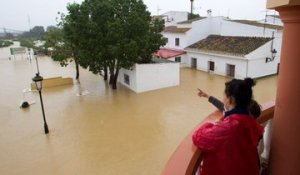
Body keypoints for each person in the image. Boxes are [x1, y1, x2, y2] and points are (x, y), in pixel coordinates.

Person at [192, 78, 263, 175]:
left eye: (224, 95)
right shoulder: (248, 119)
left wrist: (210, 124)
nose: (223, 98)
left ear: (231, 99)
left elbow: (198, 137)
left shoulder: (230, 126)